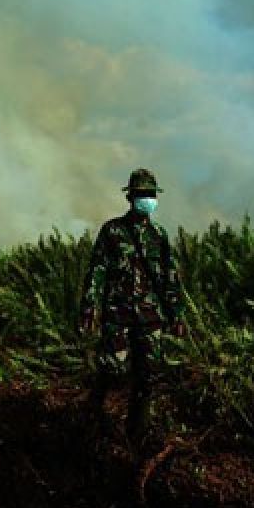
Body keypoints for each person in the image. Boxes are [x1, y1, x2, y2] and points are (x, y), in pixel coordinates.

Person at [78, 168, 186, 449]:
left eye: (150, 194)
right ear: (130, 197)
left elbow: (170, 277)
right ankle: (92, 415)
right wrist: (90, 306)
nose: (146, 199)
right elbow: (97, 270)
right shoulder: (113, 230)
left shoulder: (159, 235)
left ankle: (135, 439)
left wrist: (177, 313)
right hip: (119, 315)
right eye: (141, 194)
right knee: (112, 369)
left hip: (151, 319)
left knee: (148, 378)